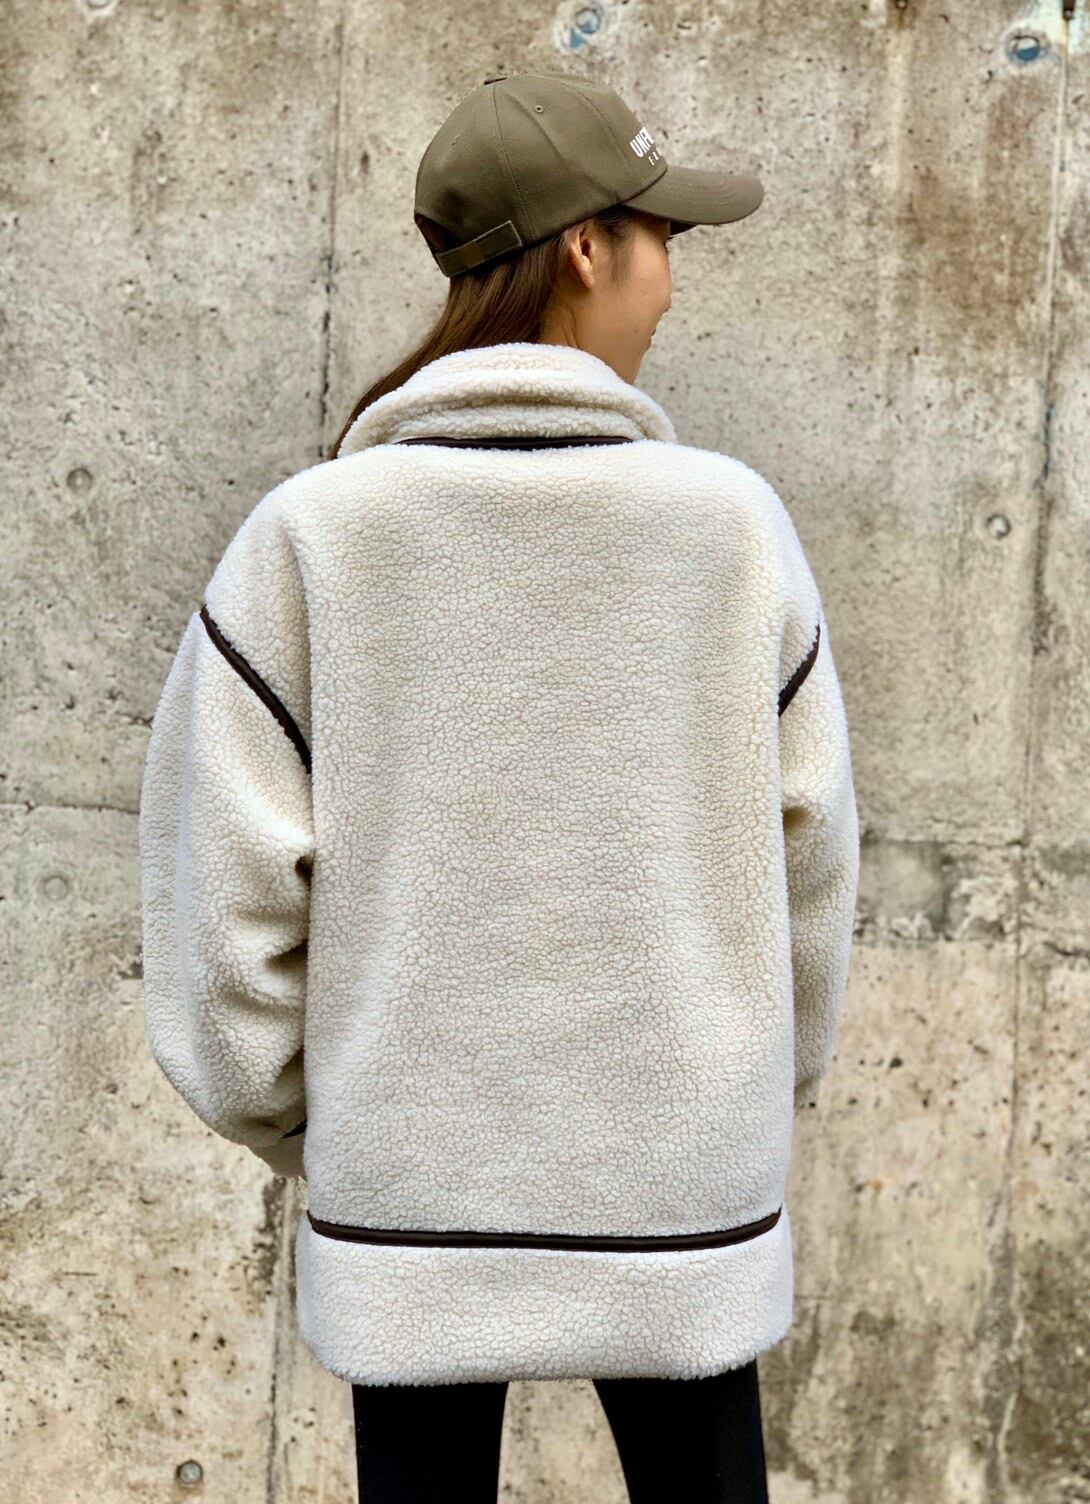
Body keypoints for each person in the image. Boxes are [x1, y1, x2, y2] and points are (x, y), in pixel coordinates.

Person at [138, 71, 860, 1503]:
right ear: (587, 247)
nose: (669, 283)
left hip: (409, 1201)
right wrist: (739, 1095)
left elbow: (220, 905)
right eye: (662, 239)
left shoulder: (312, 538)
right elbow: (812, 872)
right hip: (682, 1198)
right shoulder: (729, 530)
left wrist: (337, 1130)